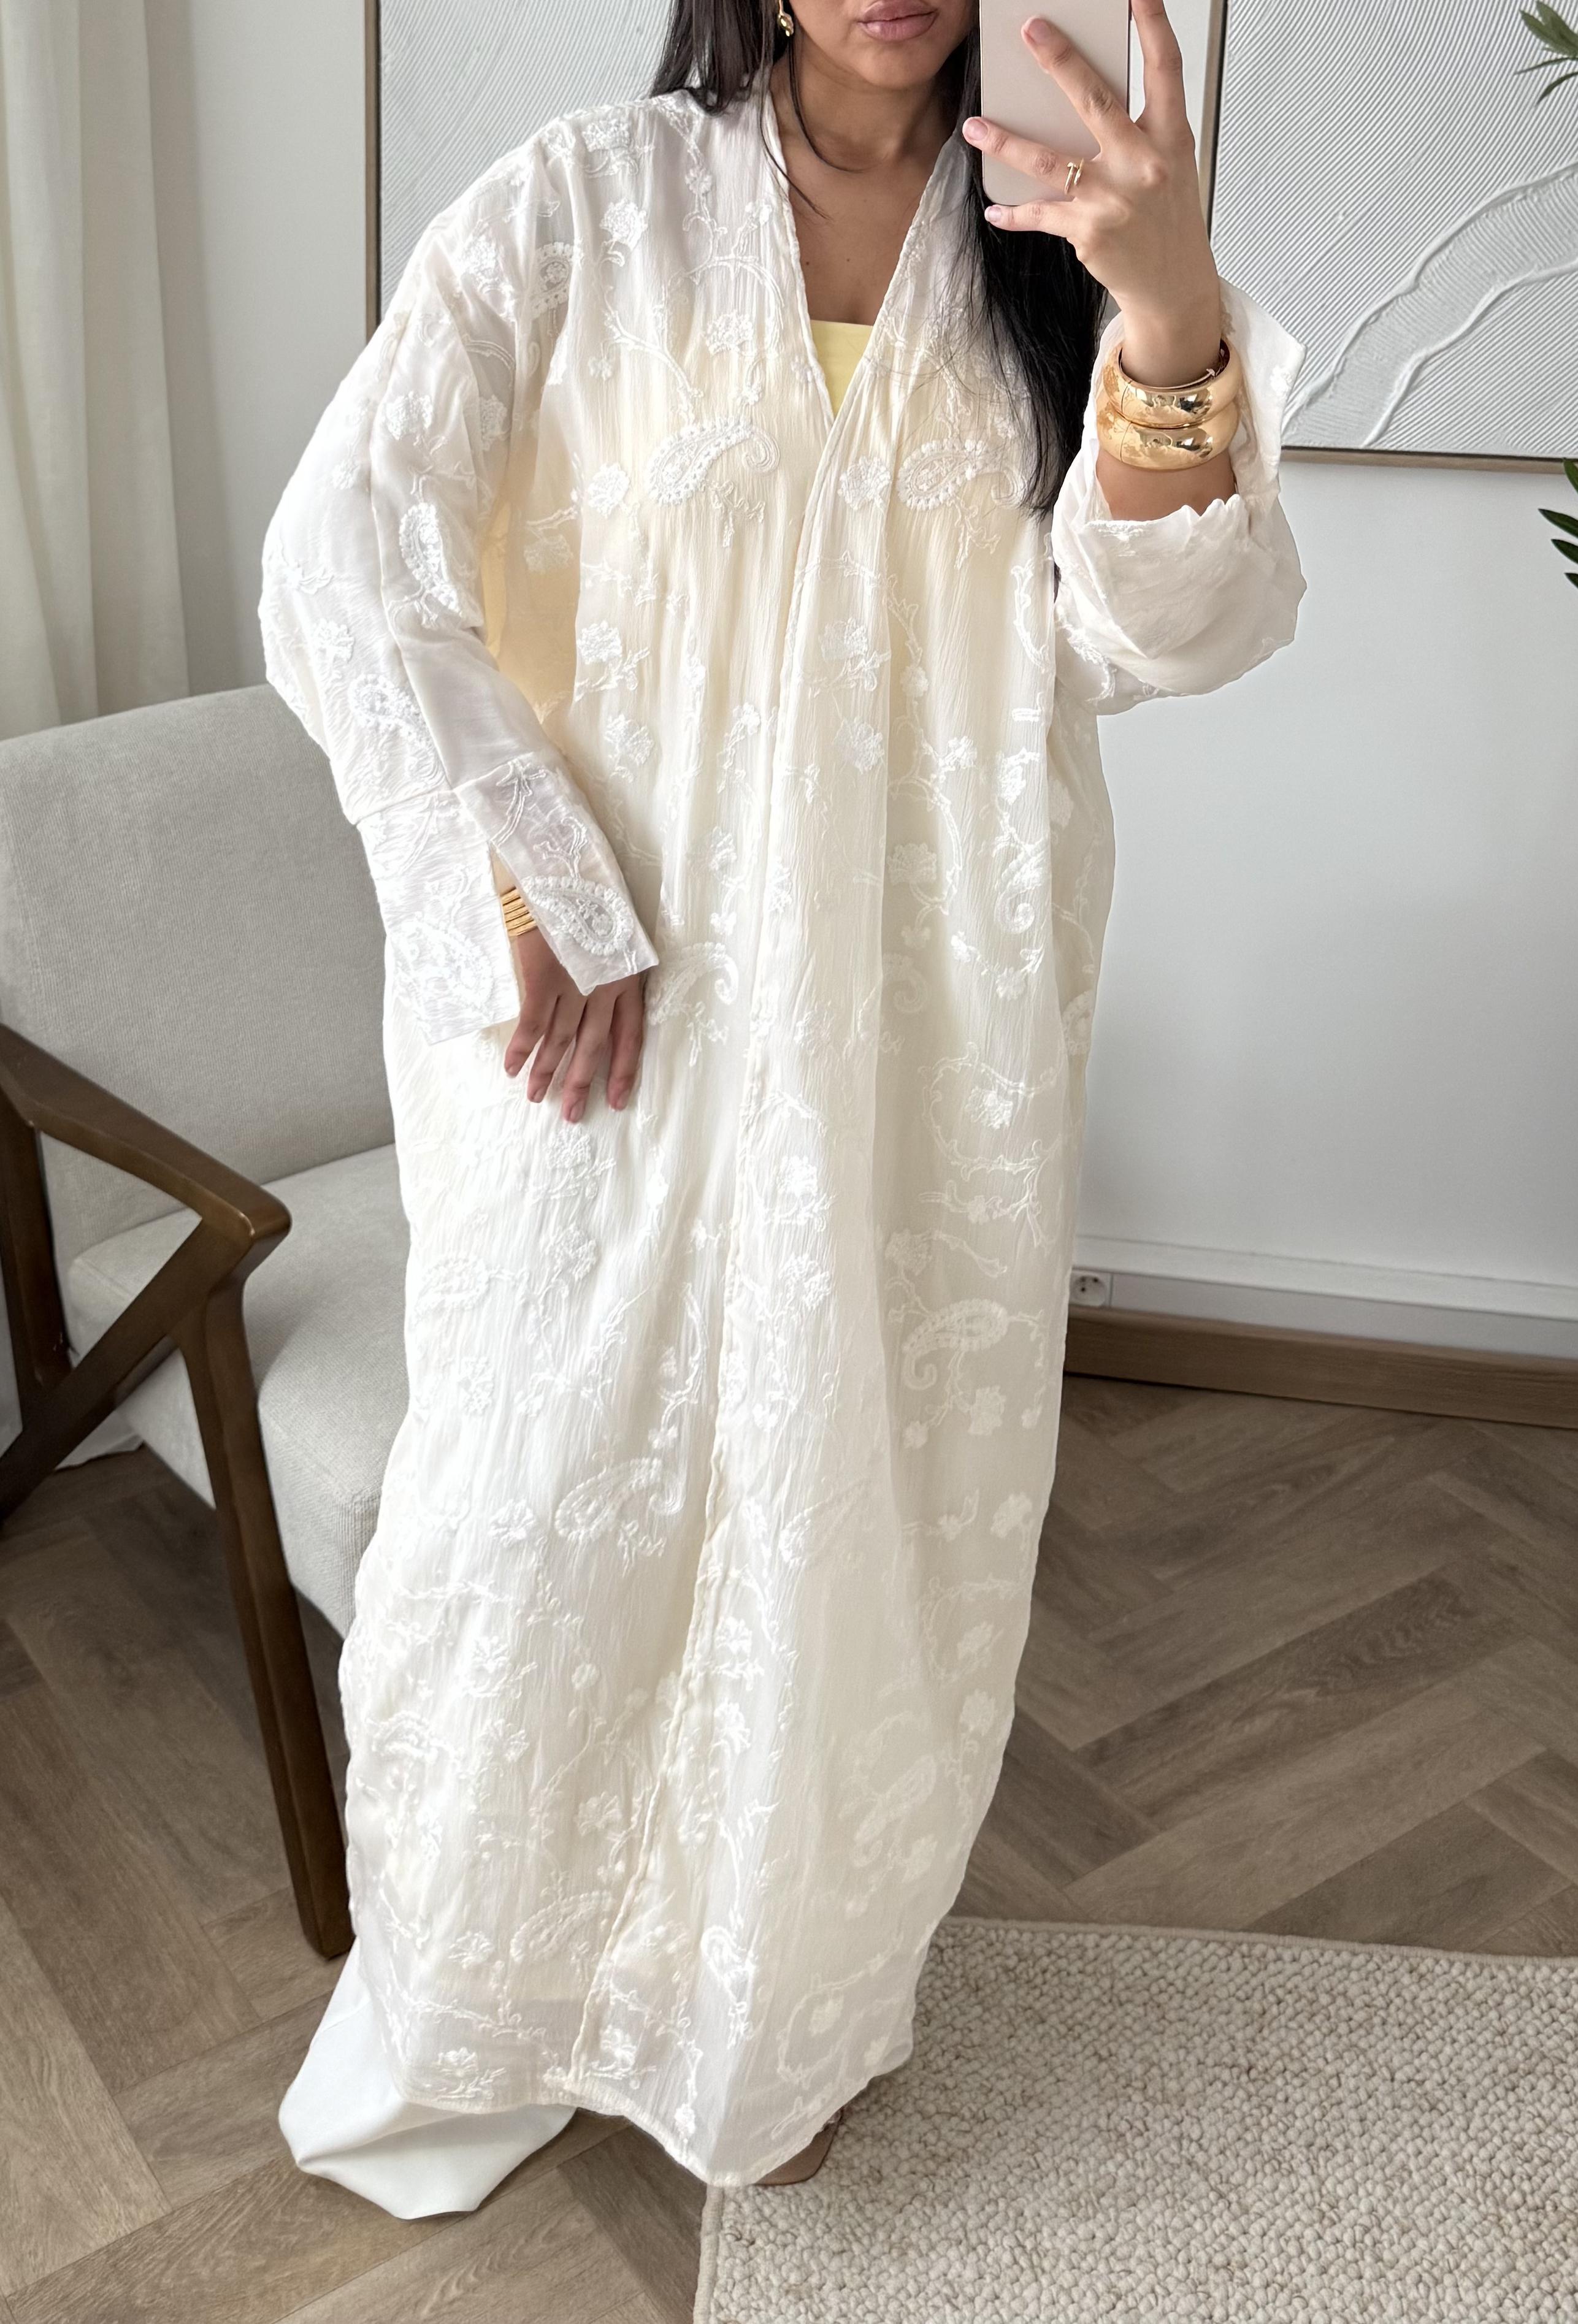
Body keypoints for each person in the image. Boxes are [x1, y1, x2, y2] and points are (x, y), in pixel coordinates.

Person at [261, 0, 1305, 2212]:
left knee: (859, 1512)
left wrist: (1168, 305)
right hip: (605, 1032)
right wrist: (530, 875)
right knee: (533, 1507)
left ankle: (771, 2014)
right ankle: (483, 2004)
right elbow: (348, 553)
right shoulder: (584, 210)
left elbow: (1169, 633)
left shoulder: (1052, 248)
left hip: (923, 1035)